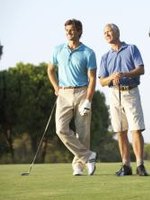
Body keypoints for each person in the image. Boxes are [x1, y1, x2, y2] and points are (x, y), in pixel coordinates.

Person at [47, 19, 97, 176]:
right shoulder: (58, 49)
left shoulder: (88, 52)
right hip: (64, 93)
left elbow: (93, 78)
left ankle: (78, 166)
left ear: (80, 31)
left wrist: (88, 100)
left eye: (72, 30)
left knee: (83, 132)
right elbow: (50, 70)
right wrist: (56, 88)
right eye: (67, 30)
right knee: (61, 129)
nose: (68, 33)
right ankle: (89, 156)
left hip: (82, 92)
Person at [98, 23, 148, 176]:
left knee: (136, 129)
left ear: (117, 33)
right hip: (114, 94)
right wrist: (111, 77)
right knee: (120, 131)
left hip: (131, 92)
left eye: (110, 31)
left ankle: (140, 165)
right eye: (105, 32)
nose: (107, 34)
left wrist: (125, 74)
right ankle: (126, 165)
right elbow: (101, 81)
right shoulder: (105, 57)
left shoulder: (131, 49)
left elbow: (141, 69)